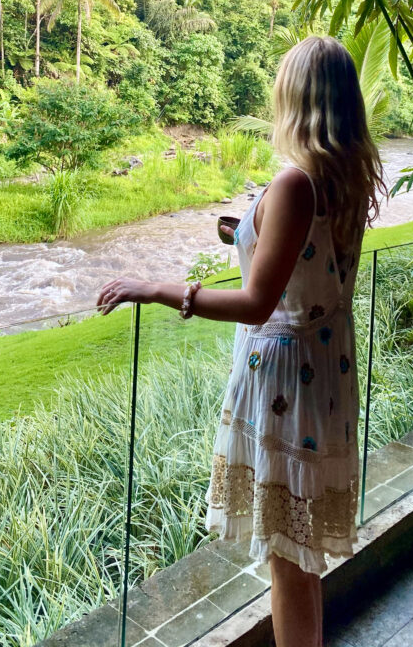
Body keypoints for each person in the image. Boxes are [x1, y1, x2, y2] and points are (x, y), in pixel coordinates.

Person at [97, 35, 385, 647]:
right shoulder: (344, 179)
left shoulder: (295, 184)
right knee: (299, 558)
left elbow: (259, 302)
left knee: (286, 561)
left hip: (286, 382)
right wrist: (247, 231)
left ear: (296, 97)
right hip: (323, 375)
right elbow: (309, 269)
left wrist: (160, 289)